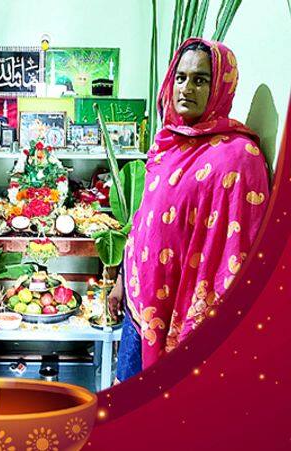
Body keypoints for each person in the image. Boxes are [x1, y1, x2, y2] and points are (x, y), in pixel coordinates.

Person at [111, 38, 269, 381]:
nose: (186, 88)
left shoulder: (238, 158)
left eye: (200, 79)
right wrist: (123, 277)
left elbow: (235, 253)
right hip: (140, 307)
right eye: (180, 78)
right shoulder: (168, 142)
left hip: (177, 320)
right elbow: (144, 218)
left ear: (222, 87)